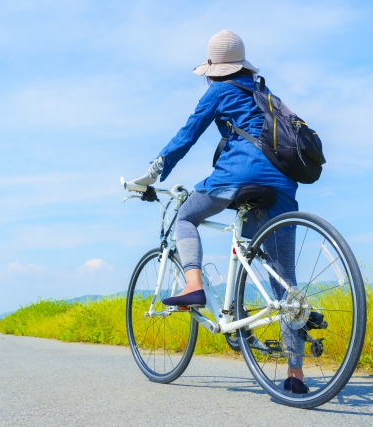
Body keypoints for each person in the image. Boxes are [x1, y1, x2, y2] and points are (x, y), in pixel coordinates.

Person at [129, 30, 308, 394]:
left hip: (240, 173)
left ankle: (192, 283)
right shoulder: (265, 94)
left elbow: (187, 134)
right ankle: (296, 376)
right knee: (285, 284)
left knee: (186, 216)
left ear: (213, 70)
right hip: (284, 183)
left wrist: (150, 174)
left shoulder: (218, 91)